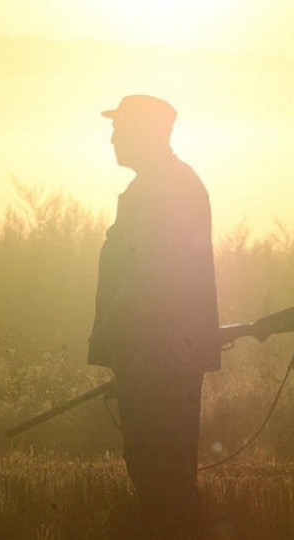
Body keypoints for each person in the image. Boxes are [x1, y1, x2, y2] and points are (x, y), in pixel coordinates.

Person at [89, 95, 220, 538]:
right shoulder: (165, 186)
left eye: (120, 128)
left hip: (156, 357)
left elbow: (147, 276)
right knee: (159, 474)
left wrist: (114, 333)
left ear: (145, 133)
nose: (112, 137)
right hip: (154, 355)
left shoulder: (162, 190)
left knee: (160, 476)